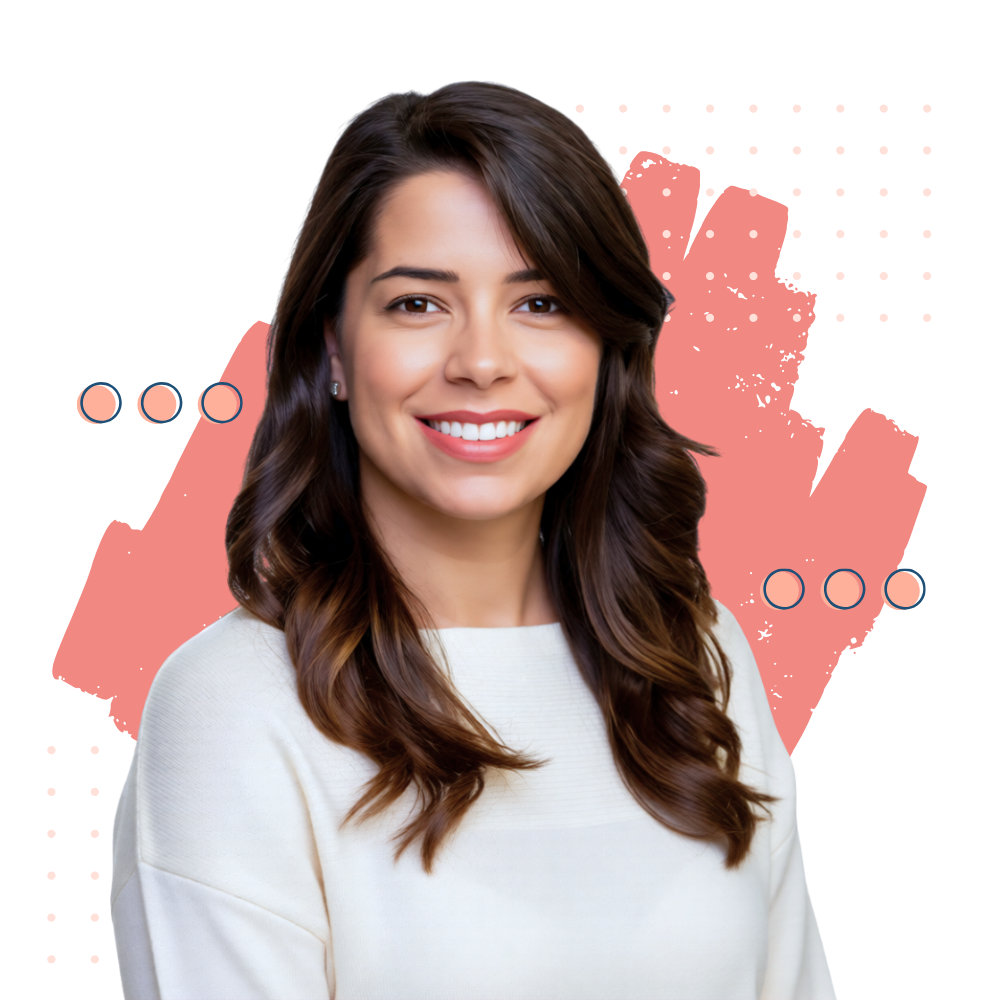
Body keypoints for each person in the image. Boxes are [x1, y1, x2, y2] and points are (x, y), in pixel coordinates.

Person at [110, 81, 838, 998]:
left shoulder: (696, 655)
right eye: (418, 304)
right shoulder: (233, 704)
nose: (483, 361)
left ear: (607, 348)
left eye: (540, 304)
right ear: (333, 350)